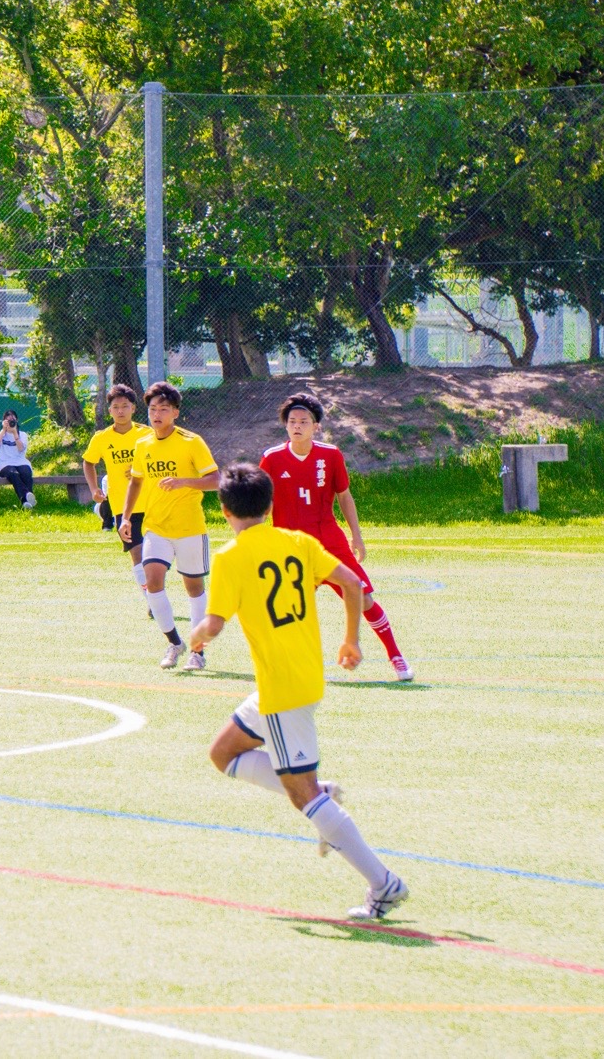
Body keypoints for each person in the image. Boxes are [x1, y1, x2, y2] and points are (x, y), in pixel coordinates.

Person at [190, 464, 410, 921]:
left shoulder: (231, 557)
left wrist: (197, 637)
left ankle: (384, 883)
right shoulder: (298, 542)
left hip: (282, 689)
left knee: (301, 794)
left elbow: (213, 625)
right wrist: (351, 640)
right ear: (270, 505)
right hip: (300, 676)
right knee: (223, 753)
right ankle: (321, 794)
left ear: (224, 510)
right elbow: (352, 583)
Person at [259, 392, 414, 682]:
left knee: (363, 598)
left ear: (316, 426)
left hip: (329, 542)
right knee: (289, 608)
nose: (297, 426)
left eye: (304, 421)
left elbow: (344, 496)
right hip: (291, 545)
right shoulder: (272, 458)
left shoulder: (330, 455)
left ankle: (396, 657)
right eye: (292, 421)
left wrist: (356, 536)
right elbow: (261, 501)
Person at [118, 382, 219, 669]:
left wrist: (183, 481)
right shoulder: (143, 444)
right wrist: (126, 517)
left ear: (175, 412)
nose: (157, 414)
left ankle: (197, 651)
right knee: (152, 580)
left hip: (189, 528)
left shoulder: (191, 442)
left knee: (194, 588)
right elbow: (136, 481)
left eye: (163, 409)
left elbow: (216, 480)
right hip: (156, 528)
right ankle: (174, 643)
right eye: (152, 409)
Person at [81, 384, 153, 619]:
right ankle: (152, 601)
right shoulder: (102, 438)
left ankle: (156, 594)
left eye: (125, 406)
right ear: (109, 410)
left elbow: (159, 458)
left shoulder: (146, 434)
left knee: (155, 556)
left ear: (133, 408)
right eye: (116, 407)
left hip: (152, 503)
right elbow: (89, 462)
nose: (120, 411)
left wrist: (141, 468)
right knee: (137, 554)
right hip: (123, 507)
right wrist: (94, 489)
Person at [0, 410, 36, 508]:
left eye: (12, 420)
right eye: (8, 421)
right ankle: (27, 496)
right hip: (5, 464)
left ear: (17, 421)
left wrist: (15, 433)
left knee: (26, 472)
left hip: (20, 462)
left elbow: (21, 449)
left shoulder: (22, 435)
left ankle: (26, 503)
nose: (10, 423)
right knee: (13, 473)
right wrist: (3, 430)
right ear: (4, 422)